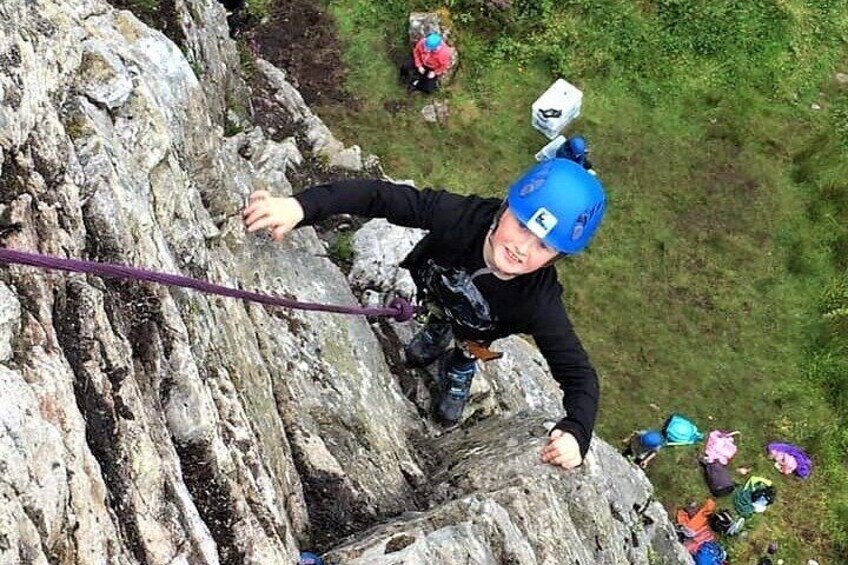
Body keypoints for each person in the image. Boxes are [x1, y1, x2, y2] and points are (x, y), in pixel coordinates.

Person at [242, 158, 606, 470]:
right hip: (436, 294)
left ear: (557, 258)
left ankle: (460, 363)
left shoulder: (539, 301)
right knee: (439, 317)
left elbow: (578, 373)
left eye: (543, 245)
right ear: (504, 208)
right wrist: (301, 207)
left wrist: (576, 430)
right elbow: (380, 196)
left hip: (477, 328)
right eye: (523, 225)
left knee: (468, 343)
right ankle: (436, 332)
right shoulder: (461, 217)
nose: (521, 248)